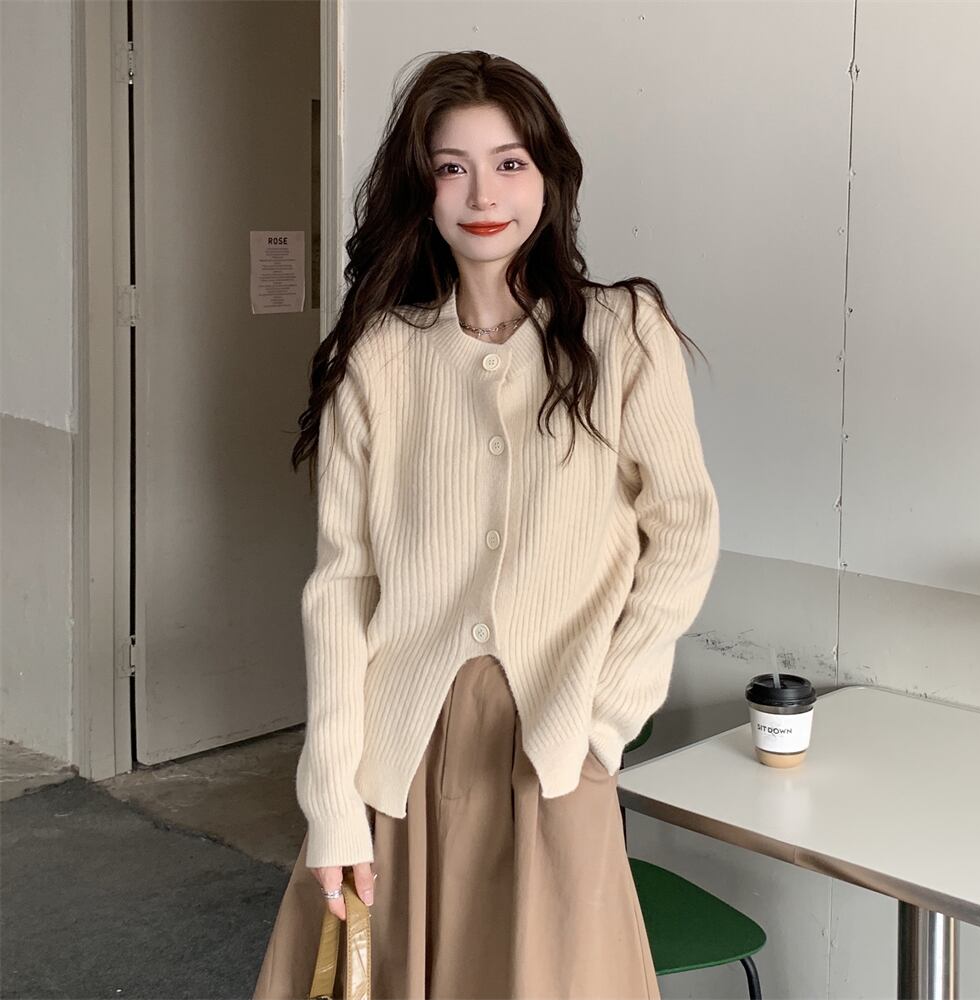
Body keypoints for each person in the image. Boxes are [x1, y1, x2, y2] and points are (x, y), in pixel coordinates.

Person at [253, 48, 720, 1000]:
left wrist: (605, 716)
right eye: (451, 167)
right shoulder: (377, 358)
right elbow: (343, 585)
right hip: (399, 752)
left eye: (510, 162)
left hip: (554, 745)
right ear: (420, 188)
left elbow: (684, 531)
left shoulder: (624, 334)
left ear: (549, 175)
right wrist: (331, 796)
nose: (483, 194)